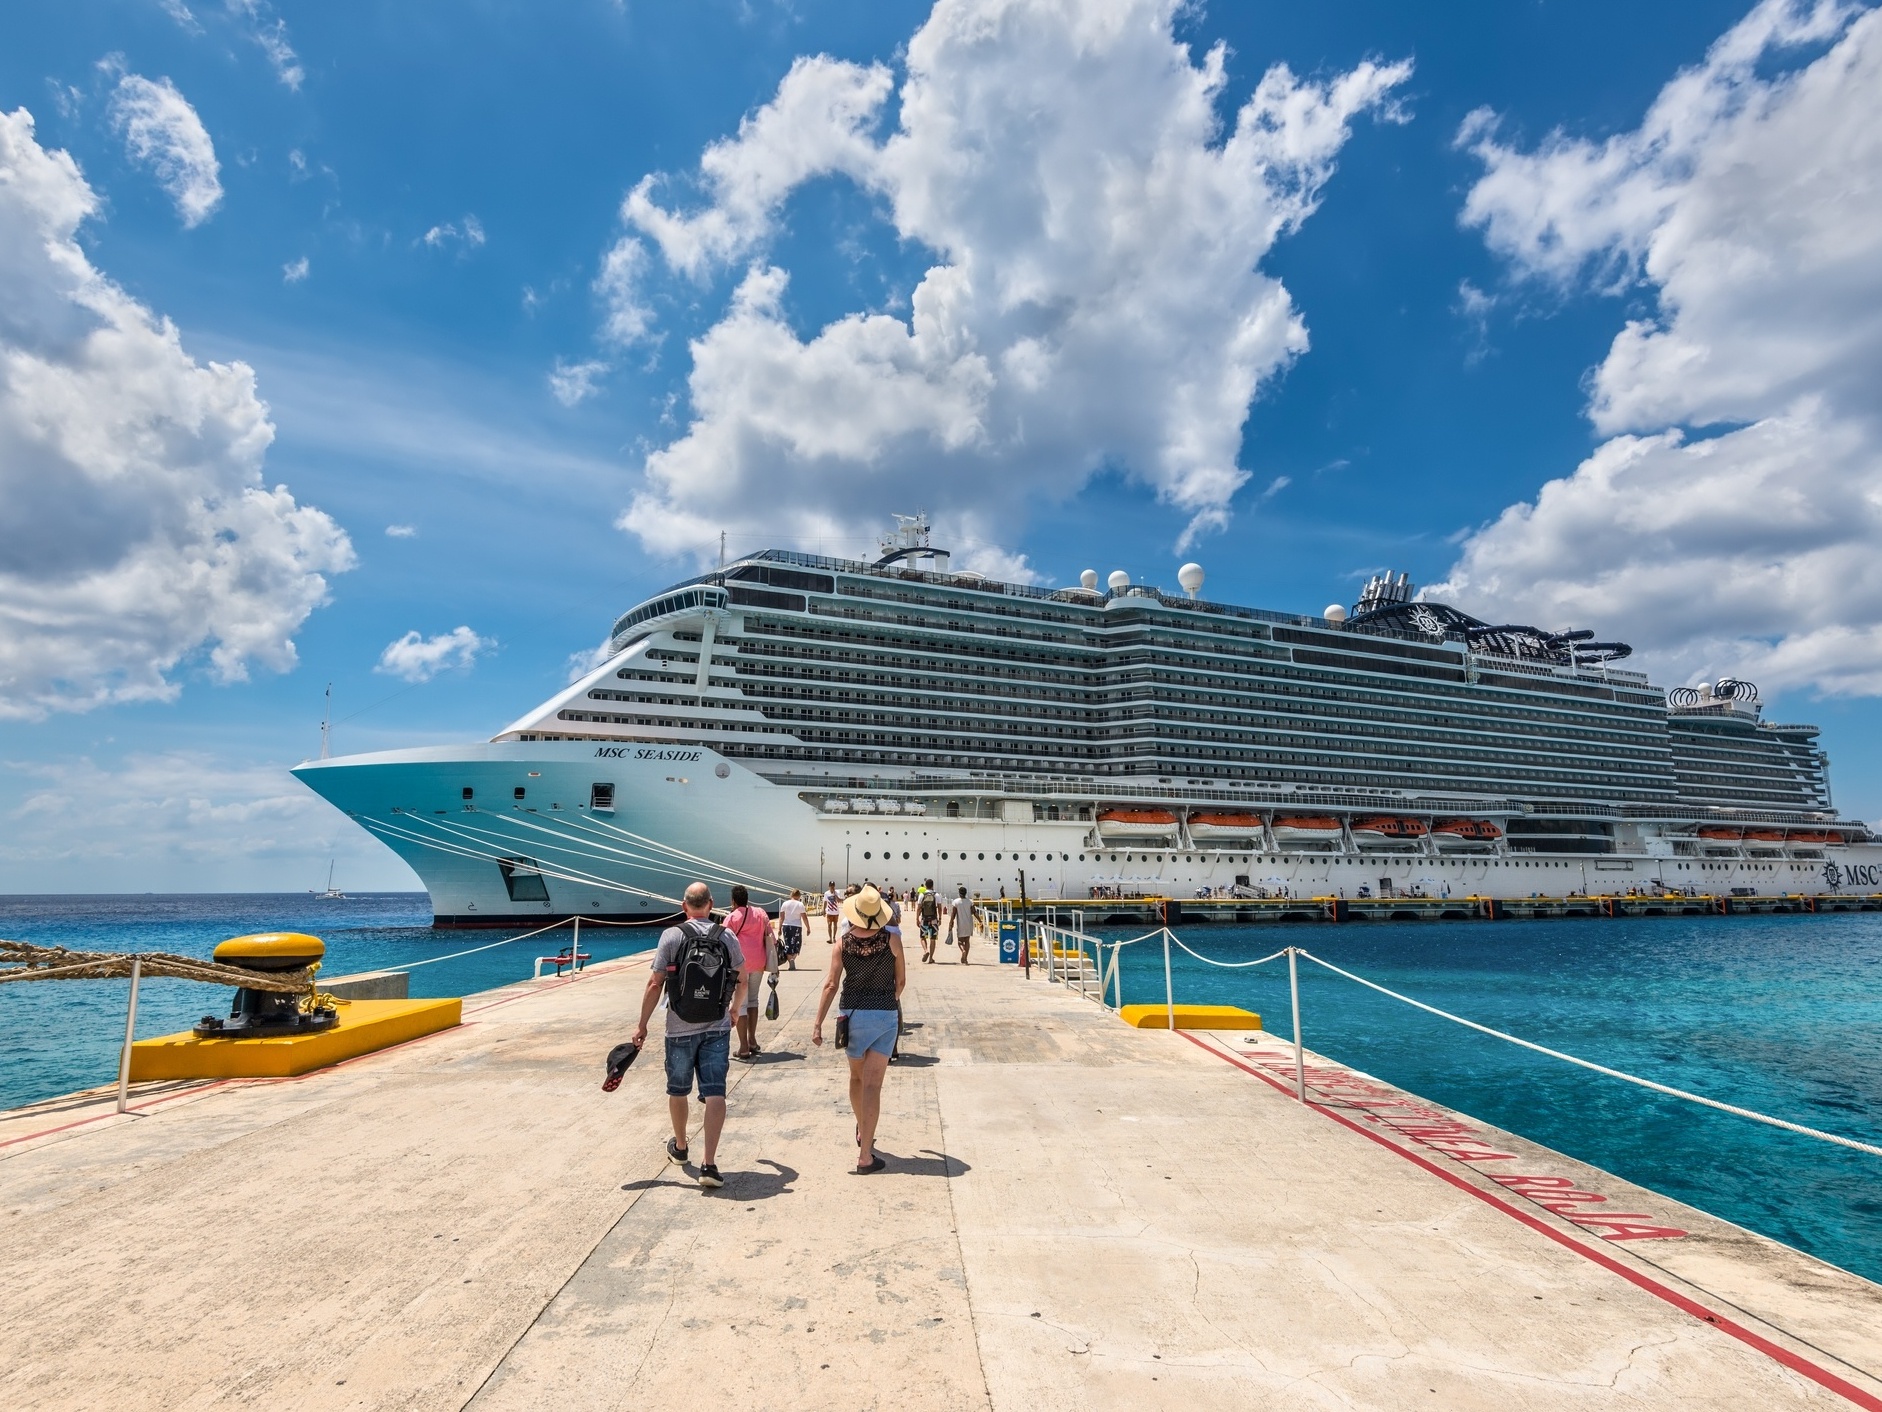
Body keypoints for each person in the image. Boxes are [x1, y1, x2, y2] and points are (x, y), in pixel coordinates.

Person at [632, 882, 746, 1189]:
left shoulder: (672, 935)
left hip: (678, 1027)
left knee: (678, 1090)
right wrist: (735, 1010)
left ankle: (681, 1148)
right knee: (715, 1093)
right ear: (711, 905)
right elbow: (742, 978)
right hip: (717, 1027)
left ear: (685, 906)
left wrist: (642, 1025)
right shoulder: (727, 936)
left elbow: (655, 983)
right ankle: (709, 1165)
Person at [812, 885, 906, 1173]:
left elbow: (830, 984)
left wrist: (817, 1024)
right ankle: (866, 1154)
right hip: (884, 1015)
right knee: (873, 1085)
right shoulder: (892, 939)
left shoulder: (842, 942)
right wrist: (887, 1002)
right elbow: (901, 982)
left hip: (851, 1015)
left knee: (856, 1079)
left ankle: (861, 1126)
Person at [724, 884, 773, 1061]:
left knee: (741, 1004)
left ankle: (743, 1047)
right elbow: (771, 937)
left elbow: (724, 942)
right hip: (759, 962)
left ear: (733, 901)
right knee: (753, 1000)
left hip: (740, 965)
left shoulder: (731, 917)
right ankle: (752, 1041)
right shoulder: (760, 913)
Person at [776, 888, 807, 970]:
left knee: (788, 944)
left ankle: (790, 961)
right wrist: (808, 927)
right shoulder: (800, 904)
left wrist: (779, 928)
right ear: (799, 896)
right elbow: (804, 918)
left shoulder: (785, 904)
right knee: (797, 944)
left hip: (786, 926)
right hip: (797, 926)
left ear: (791, 895)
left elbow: (781, 917)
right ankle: (793, 958)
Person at [945, 885, 975, 964]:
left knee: (960, 942)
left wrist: (951, 922)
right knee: (967, 941)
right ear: (966, 893)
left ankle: (963, 950)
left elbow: (953, 913)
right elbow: (974, 912)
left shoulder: (956, 902)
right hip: (969, 923)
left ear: (959, 893)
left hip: (961, 924)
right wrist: (980, 921)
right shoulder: (970, 902)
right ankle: (965, 959)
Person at [917, 886, 940, 963]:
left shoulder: (922, 895)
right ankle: (931, 958)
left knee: (923, 937)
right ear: (933, 886)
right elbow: (939, 907)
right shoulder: (936, 895)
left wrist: (917, 918)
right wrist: (940, 918)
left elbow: (919, 908)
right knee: (932, 939)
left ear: (926, 886)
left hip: (924, 920)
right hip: (934, 920)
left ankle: (926, 950)